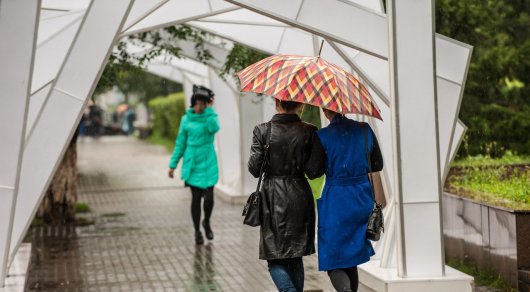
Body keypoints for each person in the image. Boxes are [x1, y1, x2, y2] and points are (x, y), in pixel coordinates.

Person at [306, 109, 384, 292]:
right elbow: (377, 164)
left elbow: (312, 171)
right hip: (361, 198)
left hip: (336, 203)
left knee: (333, 259)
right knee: (350, 259)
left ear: (325, 111)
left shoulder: (322, 136)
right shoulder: (364, 129)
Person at [248, 99, 317, 292]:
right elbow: (314, 171)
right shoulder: (310, 131)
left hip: (272, 197)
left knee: (274, 256)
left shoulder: (262, 130)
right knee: (295, 256)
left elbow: (254, 169)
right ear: (300, 104)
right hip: (300, 196)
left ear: (276, 101)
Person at [168, 85, 219, 245]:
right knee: (196, 199)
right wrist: (172, 165)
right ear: (192, 104)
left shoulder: (210, 116)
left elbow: (214, 128)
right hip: (193, 163)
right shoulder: (186, 119)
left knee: (209, 198)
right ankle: (197, 230)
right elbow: (180, 143)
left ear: (206, 104)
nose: (199, 107)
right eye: (197, 103)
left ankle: (207, 222)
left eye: (203, 104)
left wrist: (210, 110)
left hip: (208, 161)